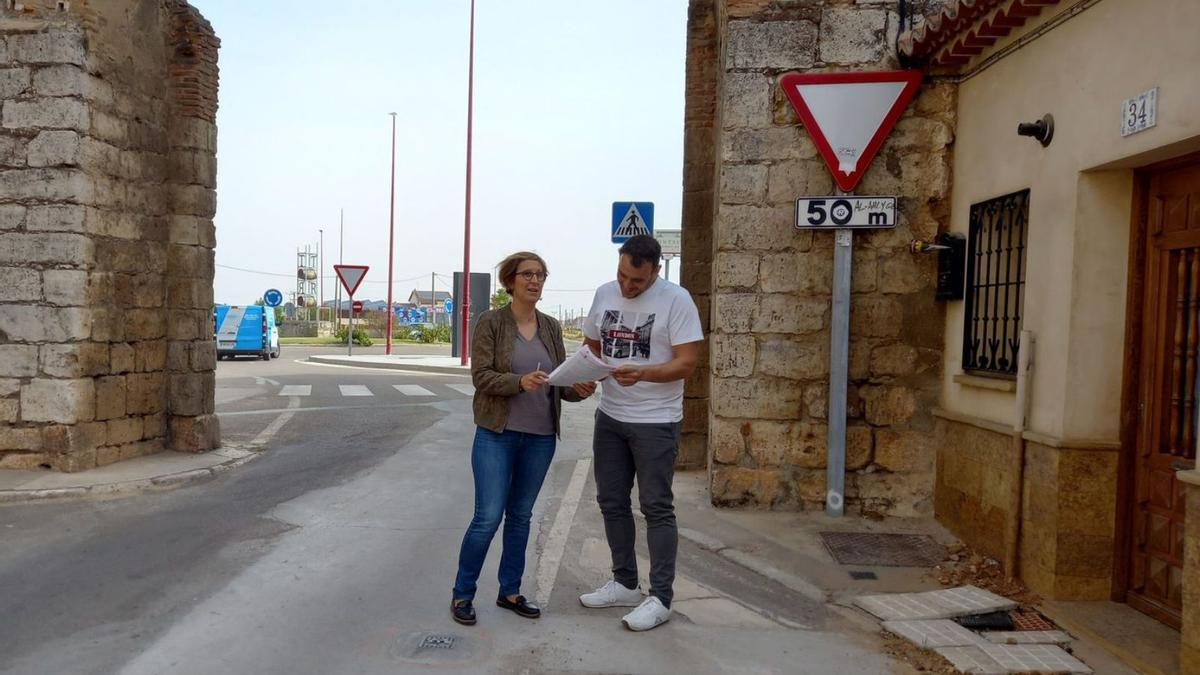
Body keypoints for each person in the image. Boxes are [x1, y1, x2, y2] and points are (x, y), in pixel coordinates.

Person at [451, 251, 596, 626]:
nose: (535, 281)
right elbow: (481, 376)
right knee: (487, 517)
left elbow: (559, 383)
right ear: (510, 280)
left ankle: (510, 591)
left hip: (540, 437)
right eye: (528, 274)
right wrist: (519, 381)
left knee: (520, 516)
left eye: (541, 275)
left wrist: (579, 388)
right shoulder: (491, 322)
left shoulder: (549, 327)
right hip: (497, 435)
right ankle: (463, 593)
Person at [577, 235, 703, 631]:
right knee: (611, 501)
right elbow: (591, 346)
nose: (627, 286)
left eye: (637, 281)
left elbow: (687, 363)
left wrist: (643, 373)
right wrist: (584, 376)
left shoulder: (677, 300)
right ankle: (625, 583)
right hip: (610, 417)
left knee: (656, 507)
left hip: (657, 421)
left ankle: (661, 598)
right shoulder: (604, 294)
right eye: (622, 276)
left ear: (656, 271)